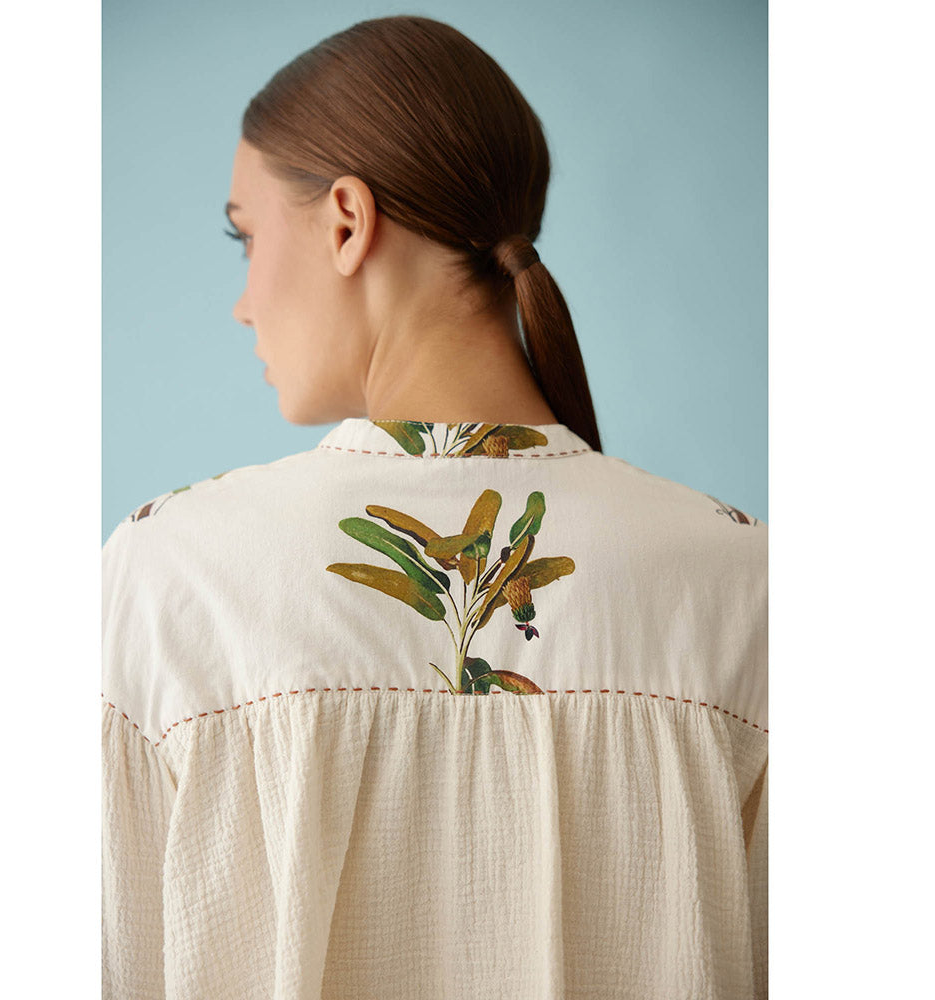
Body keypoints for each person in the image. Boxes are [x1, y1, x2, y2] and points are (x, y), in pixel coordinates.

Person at [102, 14, 767, 1000]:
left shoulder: (174, 577)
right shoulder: (746, 582)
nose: (242, 301)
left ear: (345, 220)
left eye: (245, 236)